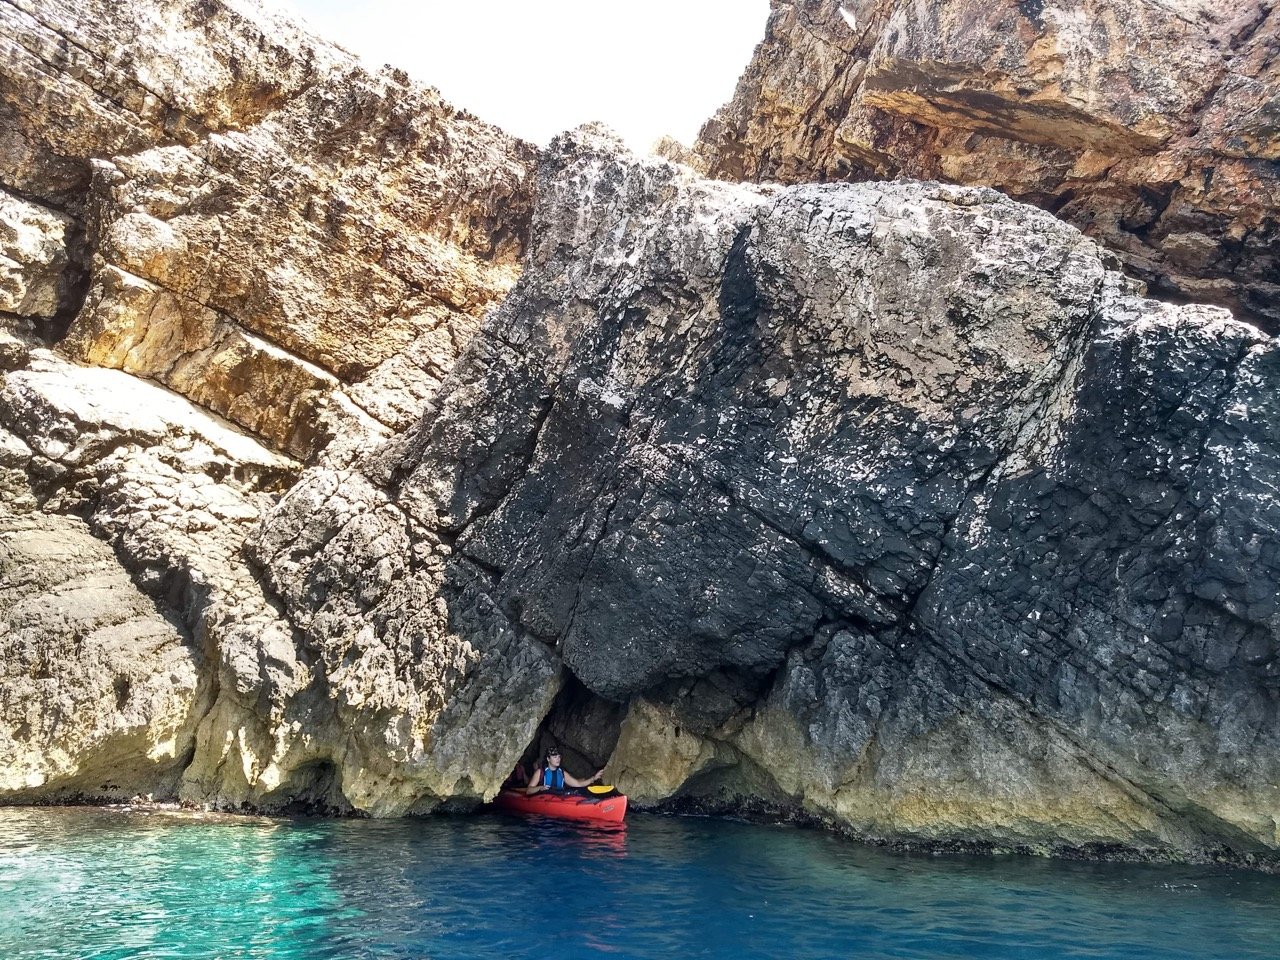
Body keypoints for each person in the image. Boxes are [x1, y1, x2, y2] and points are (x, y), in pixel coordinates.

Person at [525, 746, 604, 795]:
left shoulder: (562, 773)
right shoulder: (540, 772)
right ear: (548, 759)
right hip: (543, 799)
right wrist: (540, 788)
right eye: (555, 757)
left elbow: (578, 784)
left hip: (560, 798)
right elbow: (528, 790)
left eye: (559, 757)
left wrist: (594, 778)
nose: (558, 759)